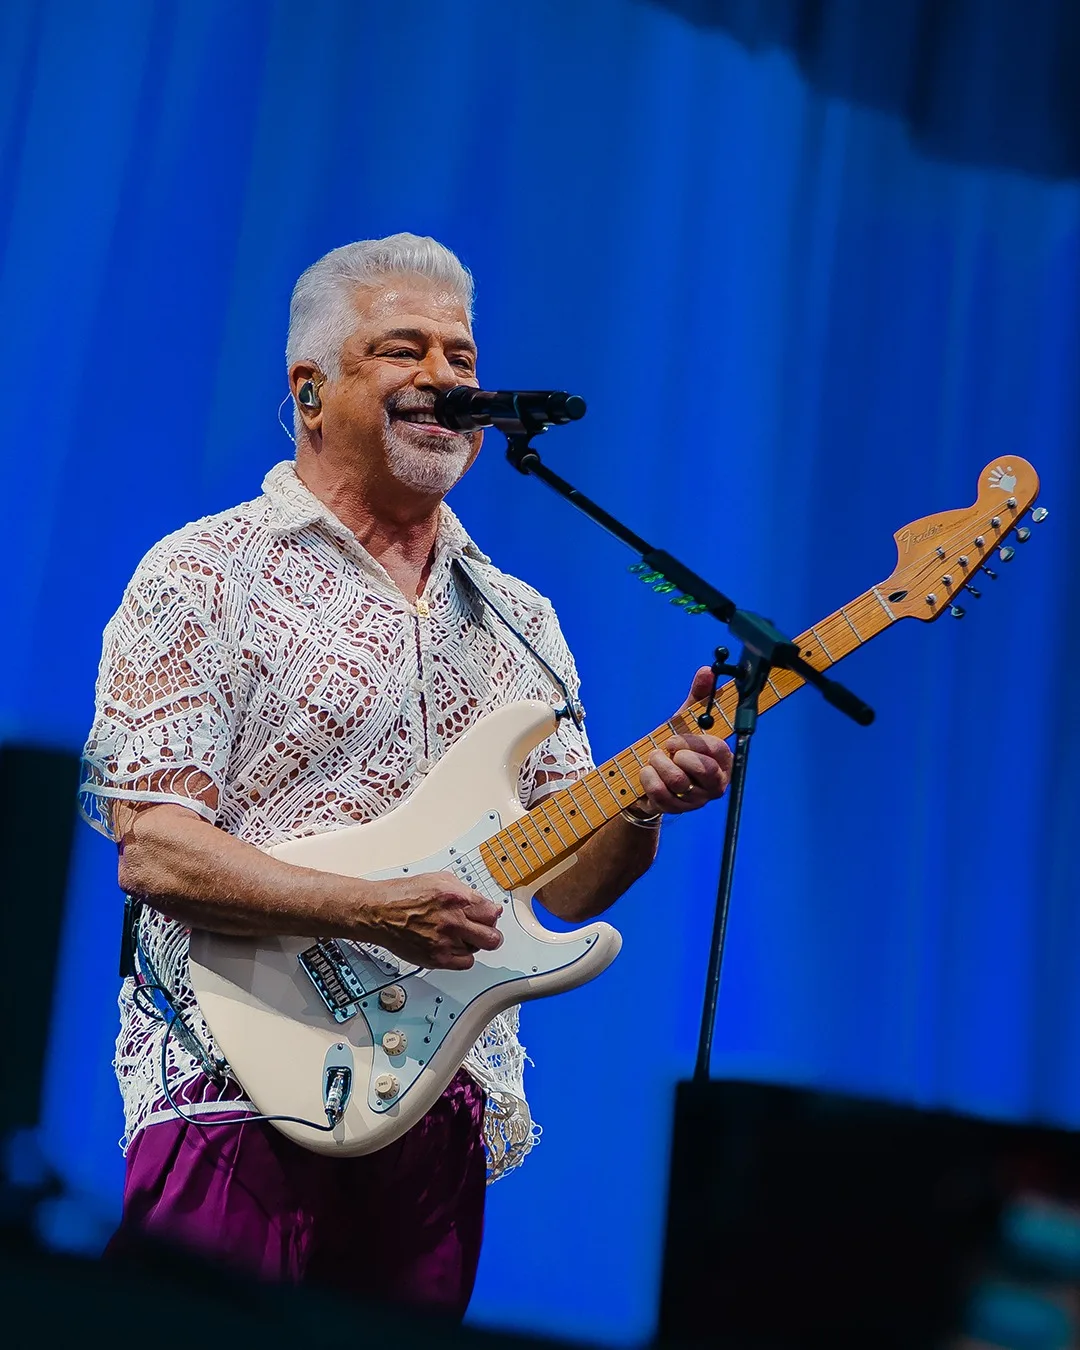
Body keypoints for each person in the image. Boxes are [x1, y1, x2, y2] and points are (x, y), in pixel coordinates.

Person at [80, 233, 733, 1317]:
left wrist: (643, 802)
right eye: (404, 349)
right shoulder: (204, 571)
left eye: (464, 359)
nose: (447, 379)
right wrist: (378, 910)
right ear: (311, 390)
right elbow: (154, 849)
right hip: (235, 1077)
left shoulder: (522, 623)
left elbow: (557, 891)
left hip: (437, 1092)